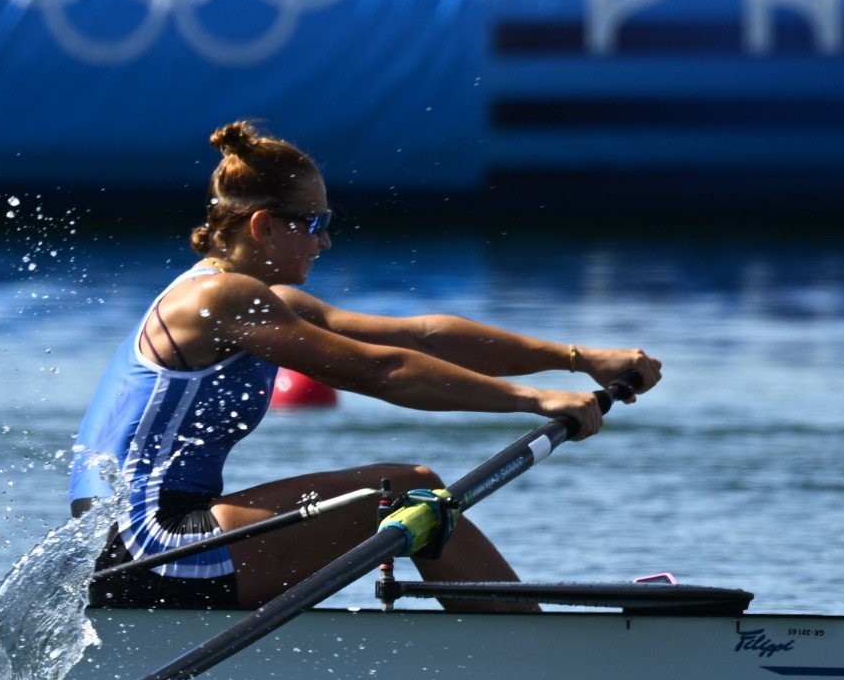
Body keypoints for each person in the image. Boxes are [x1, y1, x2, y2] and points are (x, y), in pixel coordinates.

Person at [71, 121, 661, 611]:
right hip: (152, 546)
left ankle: (512, 632)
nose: (324, 243)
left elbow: (420, 337)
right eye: (315, 224)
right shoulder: (215, 300)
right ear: (263, 226)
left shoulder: (253, 301)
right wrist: (534, 401)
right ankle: (527, 646)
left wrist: (578, 359)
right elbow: (380, 371)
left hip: (141, 543)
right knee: (407, 491)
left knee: (406, 497)